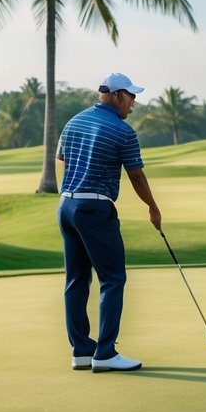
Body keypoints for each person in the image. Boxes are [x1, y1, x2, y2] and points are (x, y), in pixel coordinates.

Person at [56, 72, 162, 373]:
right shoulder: (122, 131)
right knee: (113, 279)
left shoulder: (73, 121)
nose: (133, 103)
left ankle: (81, 350)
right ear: (116, 96)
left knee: (76, 279)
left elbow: (61, 159)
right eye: (131, 97)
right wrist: (153, 207)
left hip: (66, 205)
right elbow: (136, 175)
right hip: (95, 209)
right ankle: (105, 353)